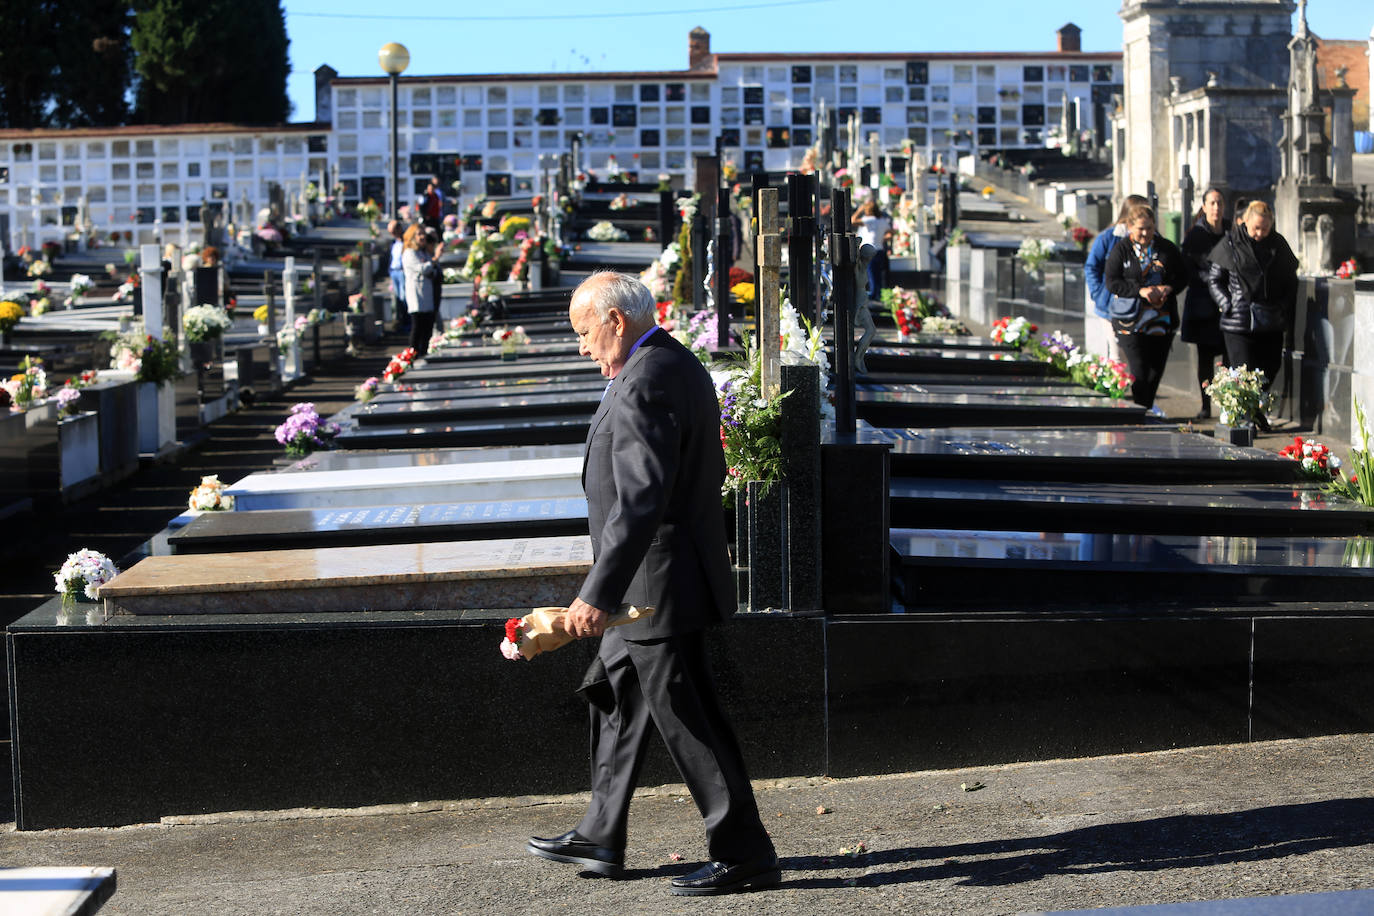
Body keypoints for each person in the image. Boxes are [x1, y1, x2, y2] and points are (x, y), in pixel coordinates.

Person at [526, 272, 780, 897]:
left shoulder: (645, 377)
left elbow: (641, 499)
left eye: (585, 333)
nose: (582, 347)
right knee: (616, 697)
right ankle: (601, 831)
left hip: (652, 586)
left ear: (615, 320)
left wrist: (597, 593)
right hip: (650, 580)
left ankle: (744, 851)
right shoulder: (664, 362)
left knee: (688, 718)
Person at [1206, 199, 1299, 397]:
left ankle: (1255, 410)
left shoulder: (1278, 243)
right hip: (1239, 321)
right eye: (1256, 228)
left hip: (1270, 319)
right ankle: (1247, 418)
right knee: (1244, 373)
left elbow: (1291, 280)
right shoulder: (1230, 243)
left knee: (1270, 367)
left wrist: (1283, 305)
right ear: (1245, 221)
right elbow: (1215, 279)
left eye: (1265, 229)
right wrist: (1227, 303)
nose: (1259, 234)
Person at [1104, 204, 1189, 411]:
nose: (1145, 233)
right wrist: (1139, 290)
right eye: (1141, 228)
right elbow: (1112, 281)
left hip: (1161, 321)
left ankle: (1145, 409)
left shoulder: (1166, 248)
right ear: (1131, 226)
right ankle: (1140, 412)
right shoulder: (1121, 249)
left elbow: (1183, 276)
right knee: (1139, 371)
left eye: (1149, 228)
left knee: (1155, 371)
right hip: (1131, 322)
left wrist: (1168, 288)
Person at [1179, 188, 1229, 418]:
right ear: (1204, 206)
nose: (1216, 208)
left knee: (1230, 357)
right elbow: (1190, 269)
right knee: (1206, 358)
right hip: (1203, 306)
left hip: (1228, 305)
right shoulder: (1196, 235)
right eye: (1212, 203)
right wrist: (1213, 282)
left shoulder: (1230, 231)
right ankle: (1205, 404)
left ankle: (1230, 402)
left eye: (1219, 203)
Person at [1085, 194, 1148, 362]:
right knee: (1116, 353)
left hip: (1139, 306)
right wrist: (1098, 294)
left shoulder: (1148, 238)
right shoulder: (1108, 237)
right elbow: (1092, 267)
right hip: (1110, 304)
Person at [401, 223, 437, 356]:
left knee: (427, 327)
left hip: (426, 293)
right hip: (417, 294)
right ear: (412, 236)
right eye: (419, 234)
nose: (423, 237)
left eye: (423, 234)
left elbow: (431, 269)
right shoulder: (409, 253)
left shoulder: (423, 252)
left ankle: (424, 352)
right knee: (417, 327)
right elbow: (424, 268)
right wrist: (435, 258)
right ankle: (414, 354)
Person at [850, 198, 891, 301]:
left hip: (870, 249)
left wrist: (859, 211)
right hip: (880, 249)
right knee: (877, 275)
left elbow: (853, 220)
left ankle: (873, 295)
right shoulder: (882, 221)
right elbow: (891, 232)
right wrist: (882, 238)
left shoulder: (869, 220)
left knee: (870, 274)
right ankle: (878, 294)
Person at [385, 220, 409, 333]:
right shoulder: (394, 243)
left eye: (394, 231)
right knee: (397, 299)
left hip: (402, 271)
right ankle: (400, 322)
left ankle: (407, 322)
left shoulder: (406, 242)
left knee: (404, 298)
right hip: (394, 271)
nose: (393, 234)